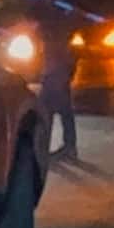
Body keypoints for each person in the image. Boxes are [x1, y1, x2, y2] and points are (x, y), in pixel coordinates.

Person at [38, 23, 79, 161]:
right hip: (58, 73)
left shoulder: (54, 22)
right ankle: (69, 147)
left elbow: (58, 52)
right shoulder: (59, 17)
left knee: (47, 110)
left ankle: (46, 148)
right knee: (62, 111)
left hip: (56, 75)